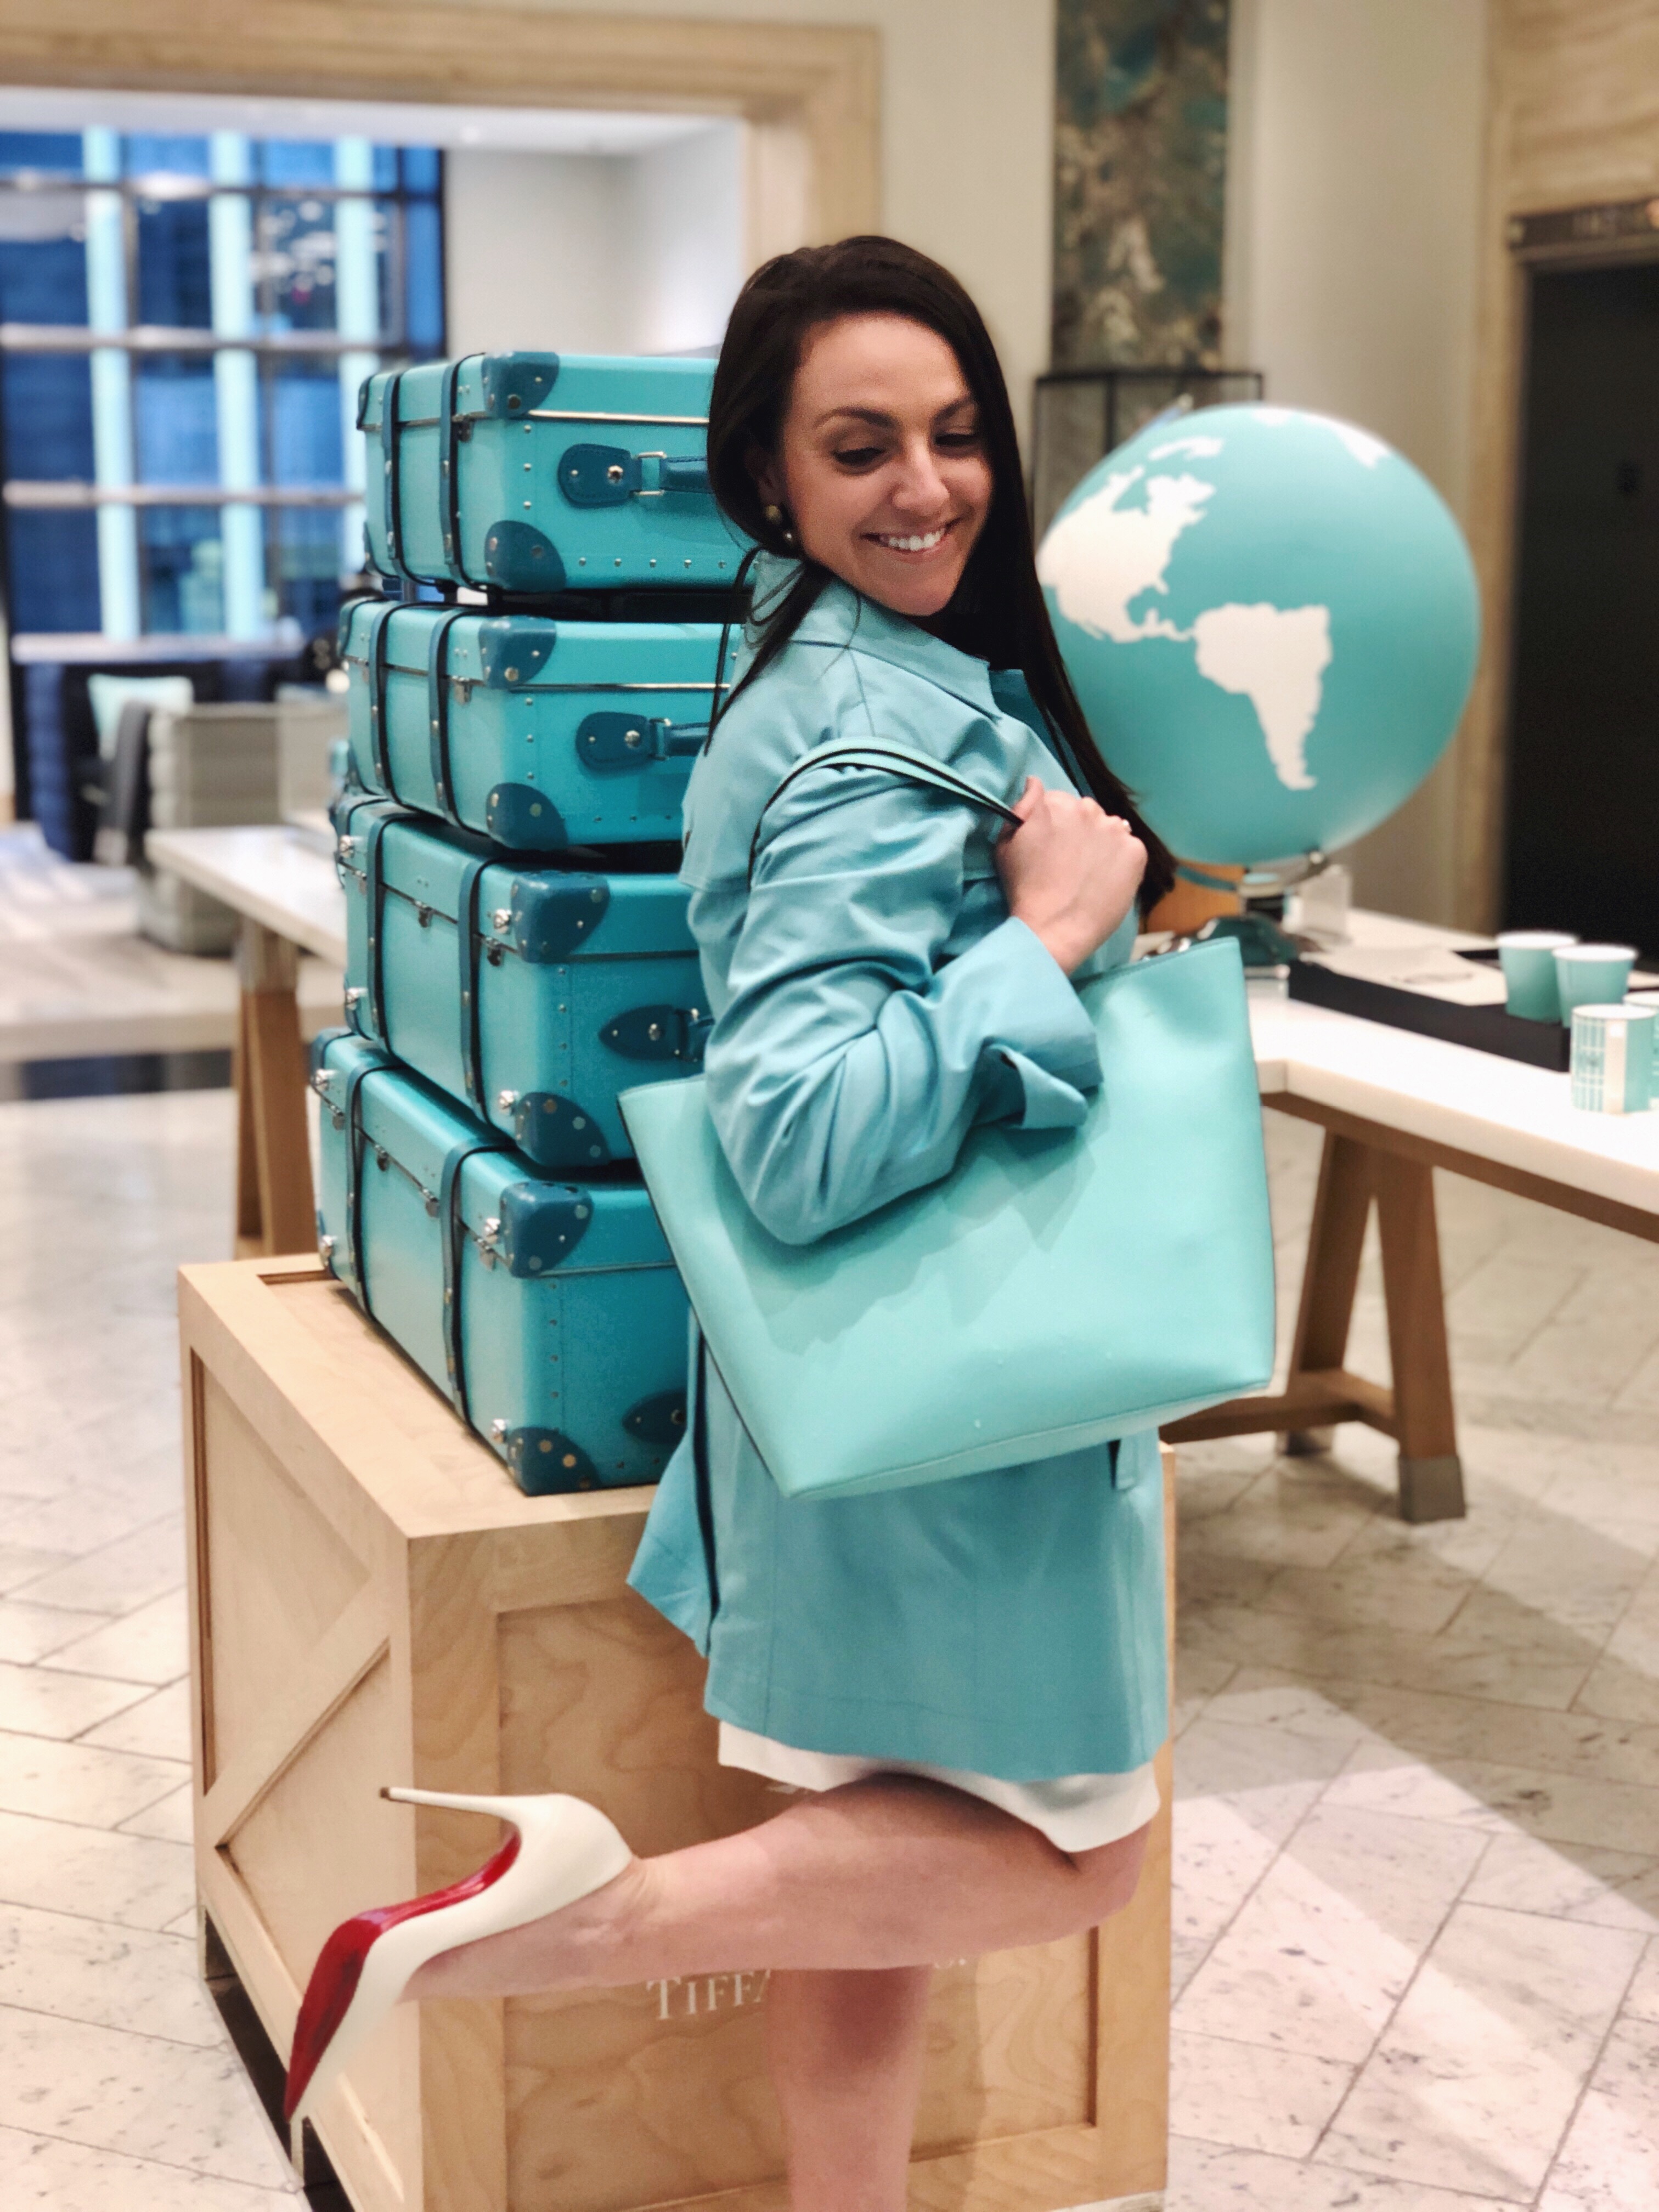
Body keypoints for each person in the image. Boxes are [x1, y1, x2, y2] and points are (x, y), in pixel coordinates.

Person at [287, 235, 1178, 2212]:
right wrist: (1045, 939)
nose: (927, 486)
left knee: (865, 1905)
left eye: (955, 434)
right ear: (767, 477)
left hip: (846, 1404)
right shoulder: (875, 740)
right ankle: (562, 1923)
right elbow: (793, 1129)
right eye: (861, 448)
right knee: (1083, 1854)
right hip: (952, 1431)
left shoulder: (808, 676)